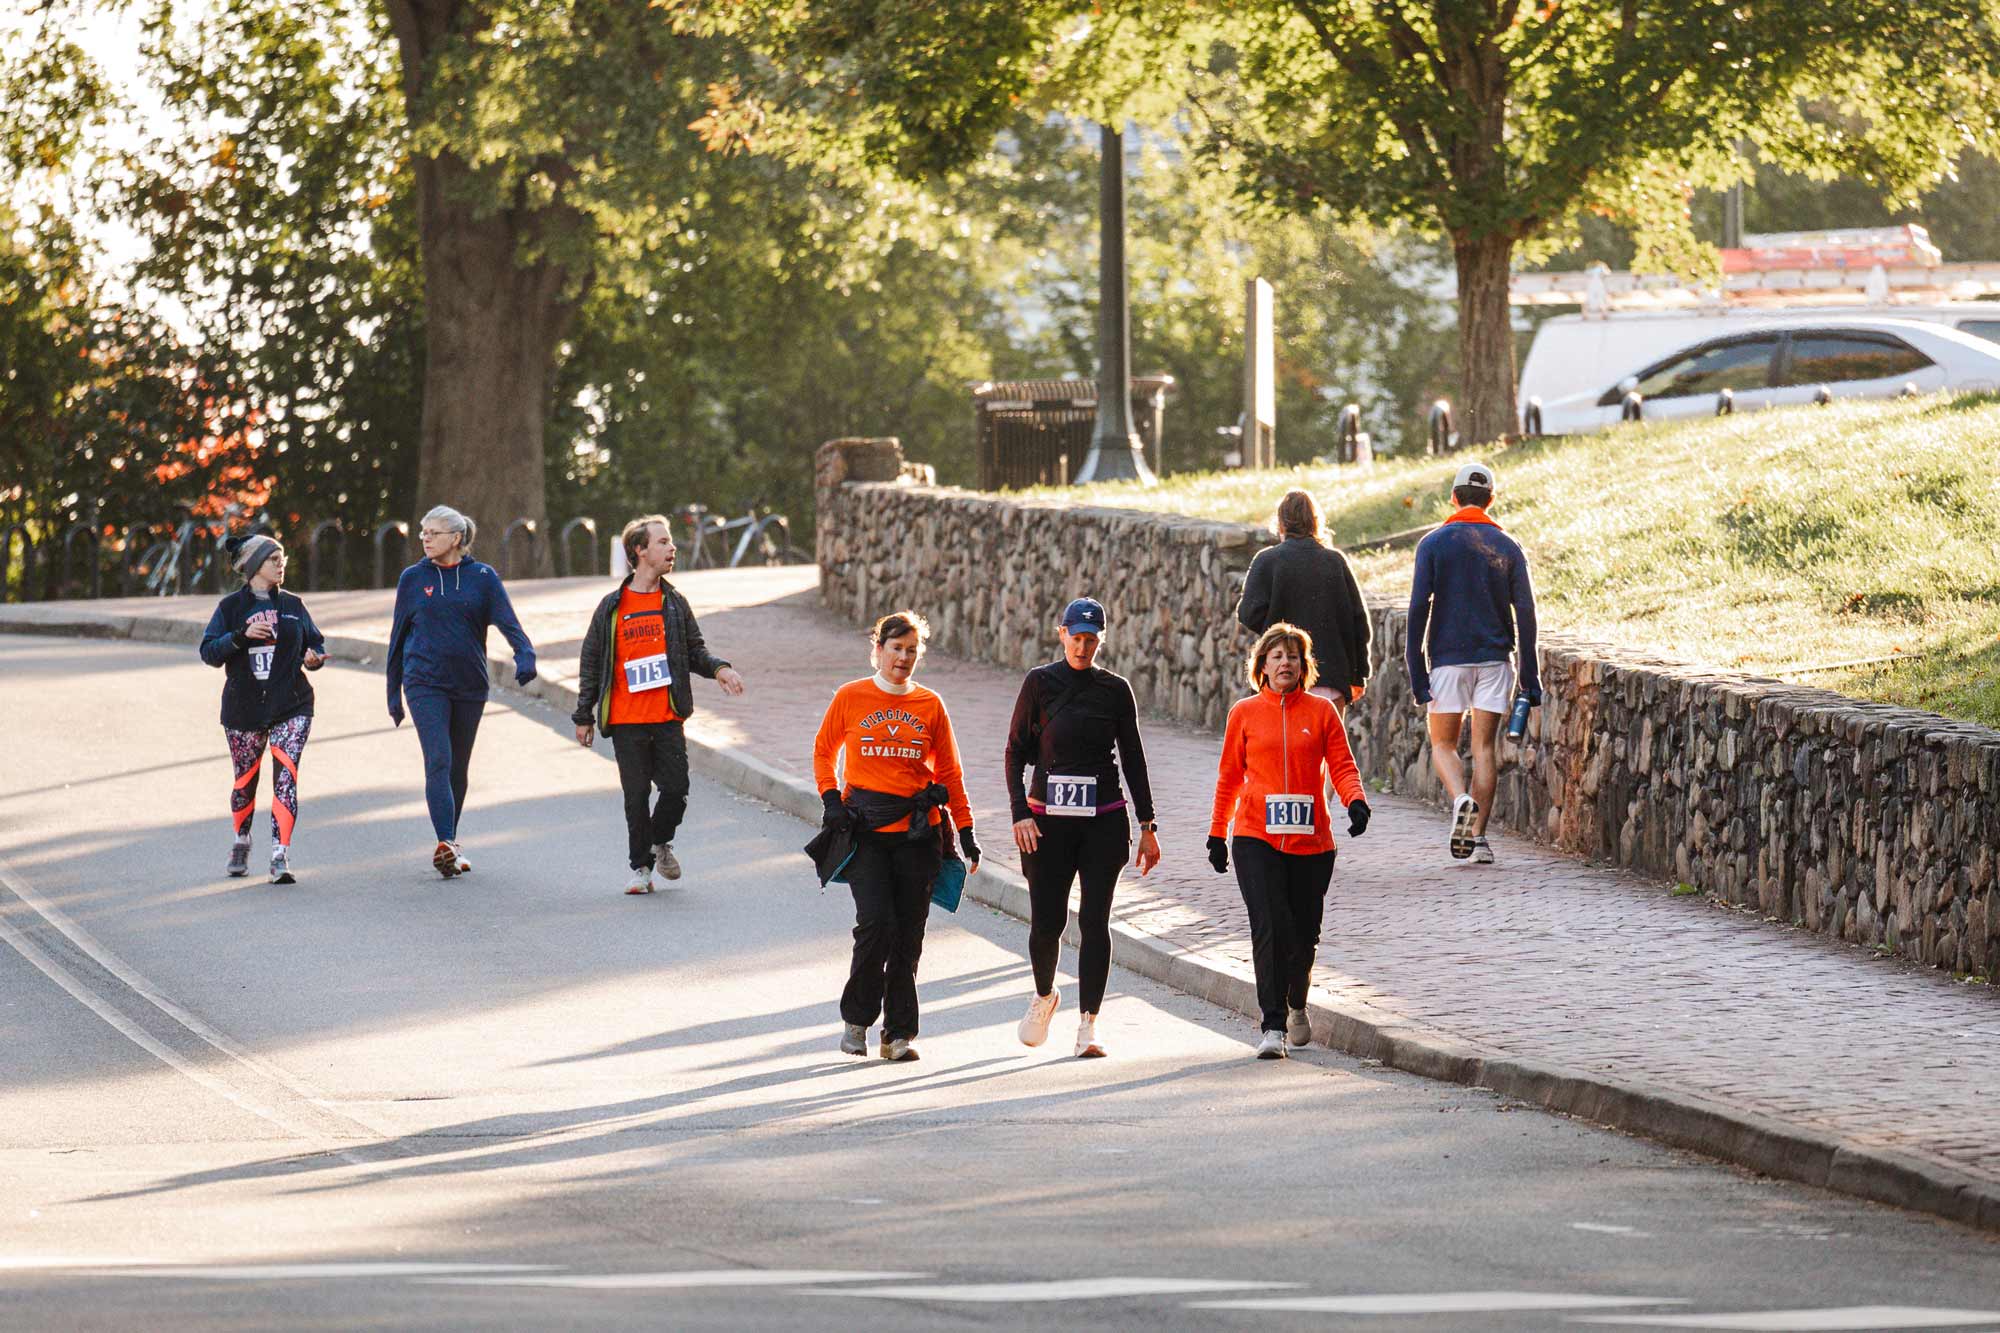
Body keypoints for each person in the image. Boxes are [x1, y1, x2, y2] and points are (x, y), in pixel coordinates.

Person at [811, 611, 979, 1062]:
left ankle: (898, 1033)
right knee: (875, 924)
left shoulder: (930, 705)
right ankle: (857, 1020)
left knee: (909, 933)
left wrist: (966, 830)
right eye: (896, 648)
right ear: (879, 649)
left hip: (917, 834)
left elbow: (949, 772)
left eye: (911, 650)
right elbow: (824, 751)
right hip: (865, 830)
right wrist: (831, 800)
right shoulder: (851, 696)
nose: (903, 658)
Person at [1002, 596, 1160, 1059]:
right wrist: (1019, 813)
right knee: (1047, 921)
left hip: (1103, 821)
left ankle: (1088, 1024)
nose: (1083, 647)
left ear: (1101, 641)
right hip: (1046, 825)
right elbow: (1014, 752)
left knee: (1096, 921)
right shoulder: (1039, 683)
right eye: (1077, 638)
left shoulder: (1115, 690)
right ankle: (1045, 995)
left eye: (1092, 640)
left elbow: (1133, 757)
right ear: (1062, 634)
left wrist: (1147, 824)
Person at [1207, 623, 1371, 1060]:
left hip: (1312, 844)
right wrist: (1217, 833)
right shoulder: (1243, 713)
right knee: (1270, 925)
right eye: (1276, 656)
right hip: (1255, 836)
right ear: (1262, 665)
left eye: (1293, 657)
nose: (1285, 663)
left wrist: (1355, 802)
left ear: (1304, 667)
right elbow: (1229, 778)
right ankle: (1272, 1025)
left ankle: (1297, 1001)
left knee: (1303, 938)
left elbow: (1342, 765)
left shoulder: (1321, 712)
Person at [572, 514, 745, 894]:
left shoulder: (674, 603)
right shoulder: (612, 607)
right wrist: (583, 715)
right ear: (640, 550)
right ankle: (641, 869)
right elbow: (592, 662)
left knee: (676, 788)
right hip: (625, 719)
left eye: (670, 542)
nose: (672, 548)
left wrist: (719, 669)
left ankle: (659, 840)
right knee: (635, 796)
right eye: (663, 542)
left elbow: (694, 650)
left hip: (667, 716)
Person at [385, 505, 537, 879]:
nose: (425, 538)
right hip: (423, 682)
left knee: (458, 767)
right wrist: (393, 693)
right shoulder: (412, 578)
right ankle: (446, 842)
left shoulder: (482, 578)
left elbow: (508, 623)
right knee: (438, 758)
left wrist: (525, 655)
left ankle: (451, 843)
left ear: (456, 538)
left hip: (469, 684)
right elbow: (397, 638)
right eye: (423, 532)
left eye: (433, 533)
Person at [1405, 461, 1540, 865]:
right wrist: (1530, 678)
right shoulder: (1508, 546)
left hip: (1448, 661)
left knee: (1444, 743)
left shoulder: (1432, 544)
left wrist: (1417, 668)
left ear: (1453, 497)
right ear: (1491, 499)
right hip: (1496, 661)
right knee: (1484, 748)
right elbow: (1527, 612)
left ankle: (1460, 798)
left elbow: (1417, 608)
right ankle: (1478, 839)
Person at [198, 533, 326, 884]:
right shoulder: (230, 609)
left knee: (286, 775)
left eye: (282, 558)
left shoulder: (293, 605)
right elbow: (208, 652)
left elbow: (313, 642)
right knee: (245, 780)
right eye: (273, 559)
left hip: (292, 704)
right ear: (254, 566)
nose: (281, 564)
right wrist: (242, 635)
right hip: (244, 708)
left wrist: (314, 658)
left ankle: (279, 855)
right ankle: (242, 839)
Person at [1236, 489, 1373, 714]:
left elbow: (1248, 613)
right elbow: (1358, 622)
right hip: (1330, 680)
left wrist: (1275, 625)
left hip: (1281, 678)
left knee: (1283, 747)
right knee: (1329, 748)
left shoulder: (1267, 560)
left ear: (1280, 523)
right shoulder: (1334, 561)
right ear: (1315, 521)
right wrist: (1359, 675)